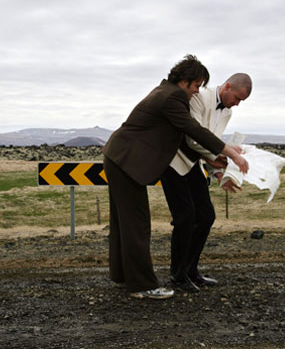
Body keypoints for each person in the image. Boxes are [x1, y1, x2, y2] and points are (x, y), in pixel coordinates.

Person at [102, 55, 248, 300]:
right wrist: (231, 153)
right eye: (196, 86)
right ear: (185, 81)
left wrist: (216, 163)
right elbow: (193, 130)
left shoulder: (165, 91)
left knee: (123, 223)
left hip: (120, 158)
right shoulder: (173, 97)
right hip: (126, 161)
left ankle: (122, 275)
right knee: (137, 224)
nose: (197, 92)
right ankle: (142, 286)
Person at [160, 73, 252, 292]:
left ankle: (191, 270)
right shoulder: (200, 97)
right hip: (173, 160)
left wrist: (217, 172)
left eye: (241, 102)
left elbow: (210, 141)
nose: (237, 104)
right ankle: (178, 274)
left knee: (206, 216)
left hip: (193, 163)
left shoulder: (227, 111)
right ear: (227, 86)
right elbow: (194, 138)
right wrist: (229, 155)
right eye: (237, 98)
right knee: (185, 217)